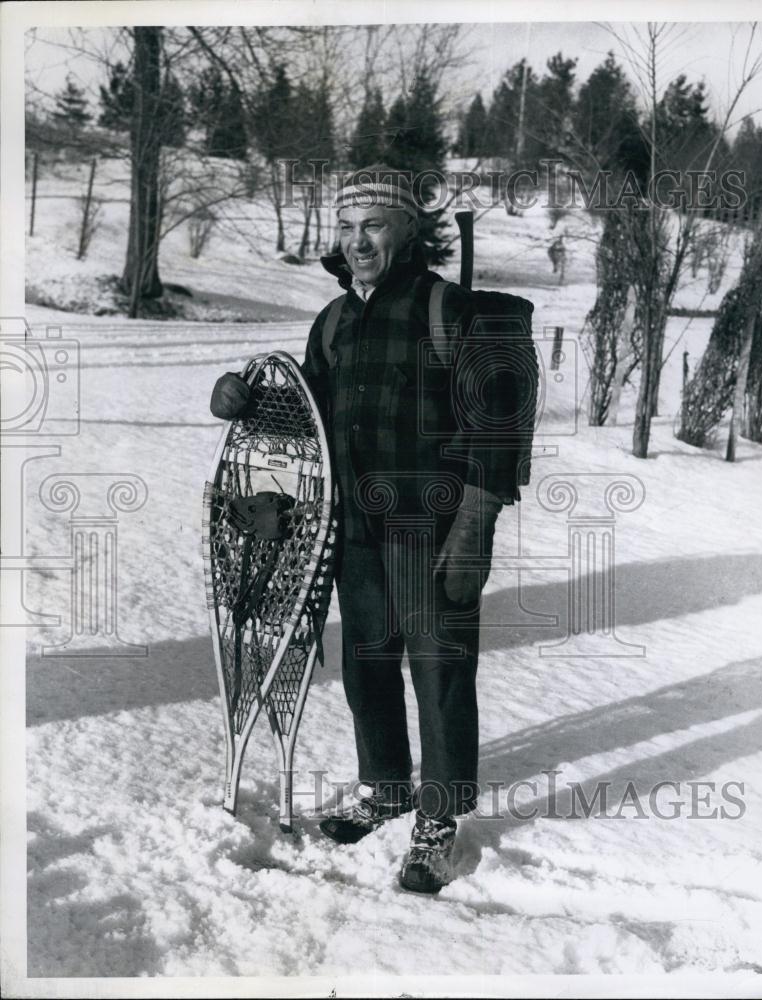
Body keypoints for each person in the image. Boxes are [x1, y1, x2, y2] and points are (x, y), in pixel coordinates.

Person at [211, 165, 518, 894]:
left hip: (430, 526)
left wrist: (474, 525)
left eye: (373, 225)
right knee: (368, 662)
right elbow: (308, 420)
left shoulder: (450, 309)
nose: (357, 242)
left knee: (439, 670)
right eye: (346, 228)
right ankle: (384, 787)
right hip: (352, 528)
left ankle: (440, 818)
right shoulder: (334, 320)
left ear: (407, 231)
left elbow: (496, 427)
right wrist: (246, 403)